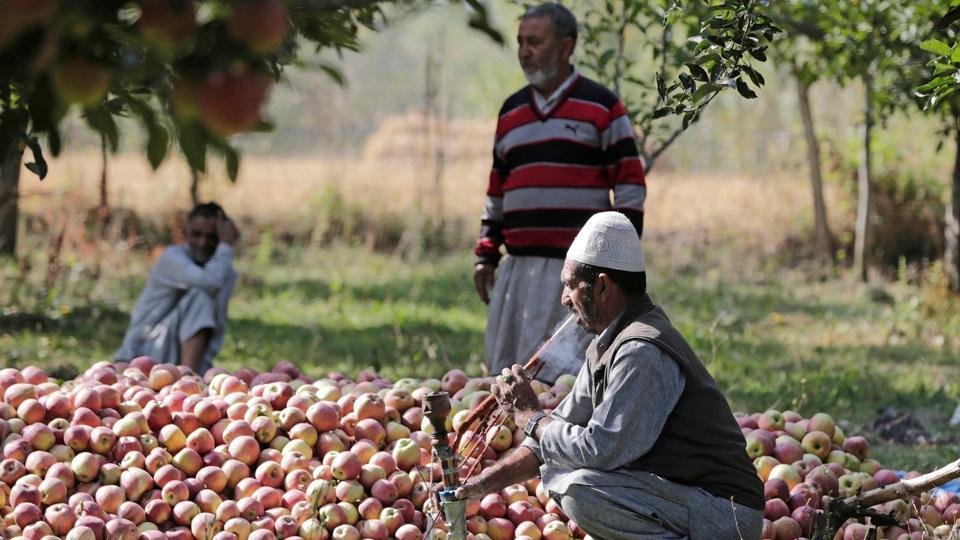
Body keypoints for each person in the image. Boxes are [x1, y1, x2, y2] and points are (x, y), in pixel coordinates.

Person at [458, 212, 764, 539]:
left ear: (602, 286)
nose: (564, 300)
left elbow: (600, 449)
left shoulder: (641, 351)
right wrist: (480, 485)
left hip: (723, 513)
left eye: (570, 285)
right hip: (684, 499)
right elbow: (550, 439)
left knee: (578, 487)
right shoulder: (609, 342)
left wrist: (530, 417)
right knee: (561, 466)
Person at [473, 2, 646, 383]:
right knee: (511, 374)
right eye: (520, 42)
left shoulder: (602, 107)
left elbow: (630, 185)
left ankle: (563, 441)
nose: (524, 51)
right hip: (519, 269)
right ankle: (515, 439)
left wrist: (618, 260)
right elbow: (496, 190)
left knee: (569, 378)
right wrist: (486, 252)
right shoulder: (512, 112)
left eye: (534, 41)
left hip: (578, 274)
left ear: (566, 47)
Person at [115, 202, 239, 376]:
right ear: (185, 233)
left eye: (212, 237)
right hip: (142, 353)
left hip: (172, 357)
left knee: (203, 293)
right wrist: (226, 246)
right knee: (201, 295)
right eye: (196, 234)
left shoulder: (224, 270)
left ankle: (191, 374)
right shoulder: (172, 258)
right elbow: (210, 281)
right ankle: (188, 377)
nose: (203, 243)